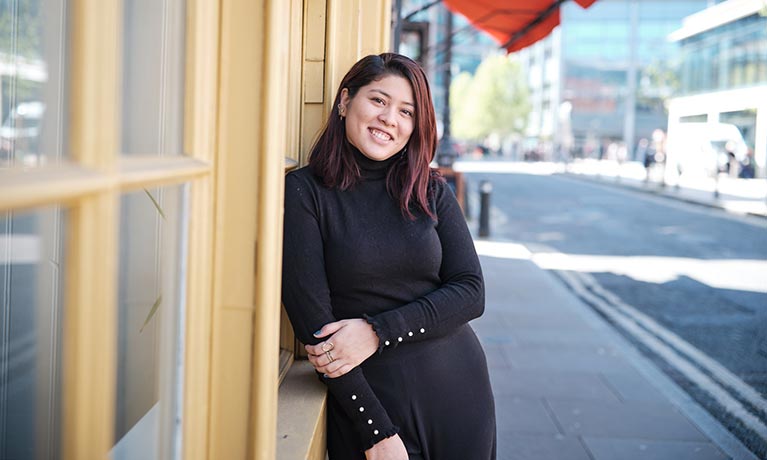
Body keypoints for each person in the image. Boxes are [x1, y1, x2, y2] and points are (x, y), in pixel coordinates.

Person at [281, 53, 496, 460]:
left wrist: (377, 331)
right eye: (378, 101)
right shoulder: (305, 192)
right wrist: (375, 431)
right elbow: (316, 330)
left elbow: (471, 292)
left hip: (459, 394)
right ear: (345, 101)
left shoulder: (430, 190)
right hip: (373, 405)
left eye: (406, 111)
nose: (389, 119)